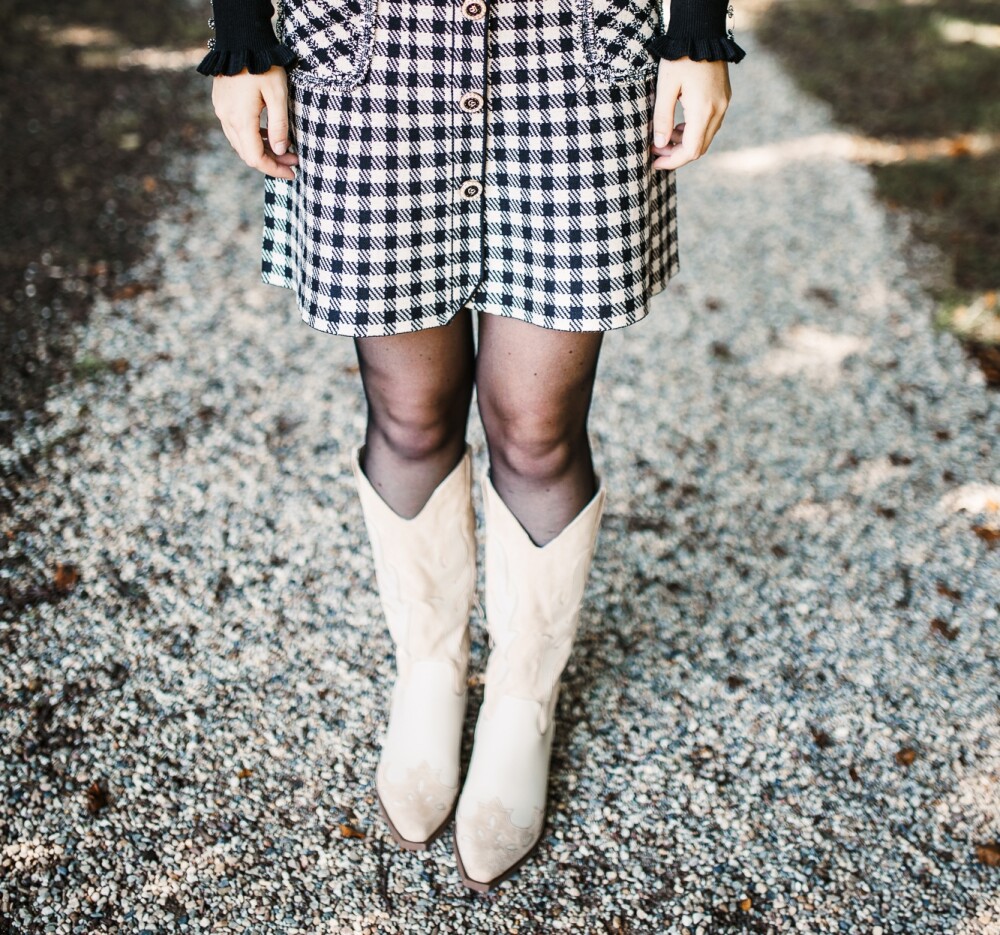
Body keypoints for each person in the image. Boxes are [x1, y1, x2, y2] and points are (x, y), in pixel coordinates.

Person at [196, 0, 745, 892]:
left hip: (569, 50)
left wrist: (696, 28)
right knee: (410, 417)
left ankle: (523, 702)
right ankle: (430, 675)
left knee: (537, 432)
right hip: (372, 54)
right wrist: (241, 35)